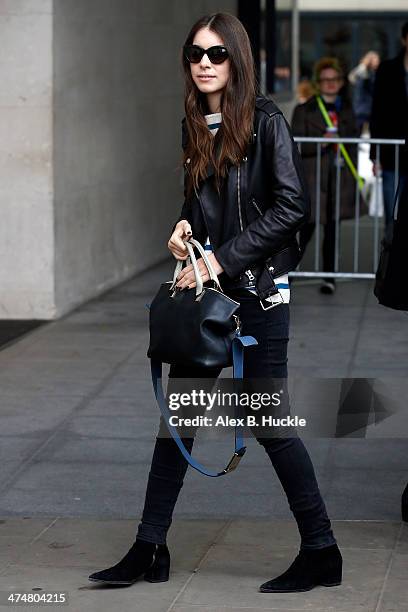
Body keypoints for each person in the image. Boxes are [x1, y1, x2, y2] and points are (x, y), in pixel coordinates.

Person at [88, 13, 342, 594]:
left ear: (238, 61)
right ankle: (149, 546)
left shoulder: (268, 121)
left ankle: (323, 549)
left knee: (268, 423)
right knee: (177, 421)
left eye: (217, 53)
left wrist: (217, 260)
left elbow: (290, 209)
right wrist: (184, 232)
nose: (204, 62)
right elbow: (200, 202)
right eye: (195, 53)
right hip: (208, 300)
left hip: (256, 296)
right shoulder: (195, 123)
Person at [291, 57, 360, 295]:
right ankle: (287, 274)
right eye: (326, 80)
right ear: (318, 83)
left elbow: (353, 140)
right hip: (313, 179)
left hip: (337, 179)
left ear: (341, 82)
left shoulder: (347, 109)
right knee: (305, 231)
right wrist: (322, 145)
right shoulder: (304, 109)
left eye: (335, 79)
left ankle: (329, 278)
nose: (331, 84)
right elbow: (296, 144)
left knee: (332, 231)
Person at [370, 22, 408, 232]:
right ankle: (390, 263)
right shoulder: (387, 70)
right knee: (391, 219)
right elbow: (377, 113)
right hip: (391, 154)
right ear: (404, 39)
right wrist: (375, 156)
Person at [348, 51, 380, 135]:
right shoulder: (362, 73)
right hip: (360, 112)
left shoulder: (378, 74)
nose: (373, 61)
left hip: (374, 113)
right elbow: (351, 78)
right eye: (370, 59)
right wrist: (363, 65)